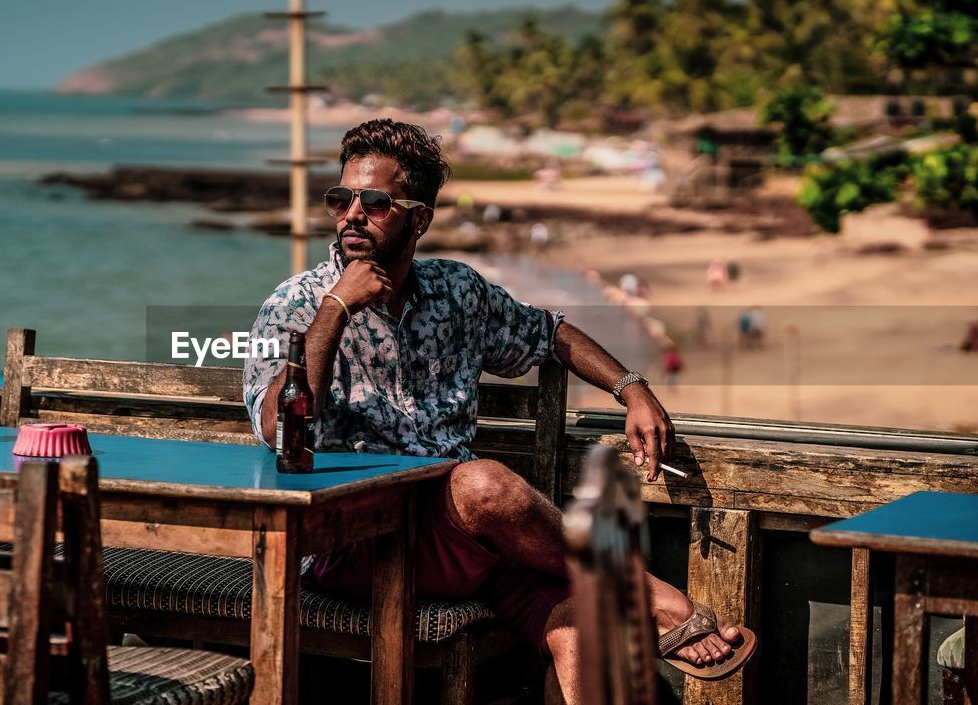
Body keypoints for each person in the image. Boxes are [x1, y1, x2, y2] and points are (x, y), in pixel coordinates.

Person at [243, 120, 753, 703]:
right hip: (356, 541)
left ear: (419, 218)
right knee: (483, 483)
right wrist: (335, 311)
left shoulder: (458, 292)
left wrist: (634, 388)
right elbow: (277, 428)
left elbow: (550, 333)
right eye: (343, 199)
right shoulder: (294, 304)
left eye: (376, 202)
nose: (352, 215)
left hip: (470, 549)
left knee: (579, 635)